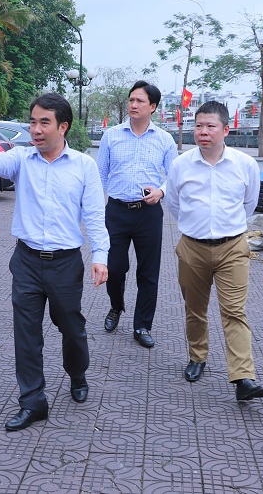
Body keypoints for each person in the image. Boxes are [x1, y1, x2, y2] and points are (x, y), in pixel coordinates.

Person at [0, 93, 109, 432]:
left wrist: (100, 257)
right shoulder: (22, 158)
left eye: (44, 123)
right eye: (32, 122)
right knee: (26, 333)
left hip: (66, 263)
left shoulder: (84, 166)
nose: (35, 129)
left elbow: (95, 215)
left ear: (63, 127)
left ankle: (77, 373)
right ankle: (33, 401)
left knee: (71, 327)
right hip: (26, 261)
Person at [164, 100, 263, 401]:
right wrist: (195, 227)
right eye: (198, 126)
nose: (203, 132)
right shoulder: (181, 165)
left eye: (210, 126)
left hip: (232, 247)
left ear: (226, 130)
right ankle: (197, 356)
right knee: (195, 308)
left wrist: (225, 227)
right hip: (192, 248)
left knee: (234, 311)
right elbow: (173, 203)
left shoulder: (245, 164)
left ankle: (243, 376)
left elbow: (249, 203)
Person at [96, 80, 177, 347]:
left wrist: (161, 191)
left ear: (152, 106)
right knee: (114, 268)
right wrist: (92, 210)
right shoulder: (111, 136)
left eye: (140, 101)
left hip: (148, 213)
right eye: (131, 99)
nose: (133, 104)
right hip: (116, 211)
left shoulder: (164, 139)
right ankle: (116, 306)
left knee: (148, 272)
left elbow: (175, 176)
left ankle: (142, 325)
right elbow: (100, 175)